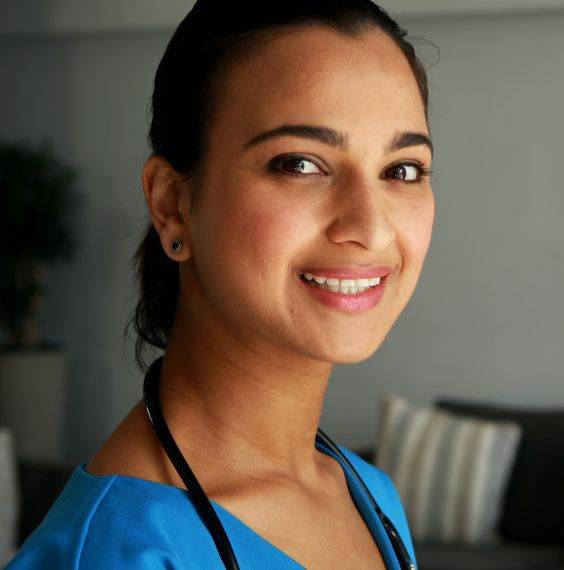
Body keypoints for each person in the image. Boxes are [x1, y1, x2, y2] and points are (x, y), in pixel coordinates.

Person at [8, 0, 433, 568]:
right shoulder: (115, 551)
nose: (371, 227)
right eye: (299, 164)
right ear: (172, 205)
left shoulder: (370, 496)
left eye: (402, 170)